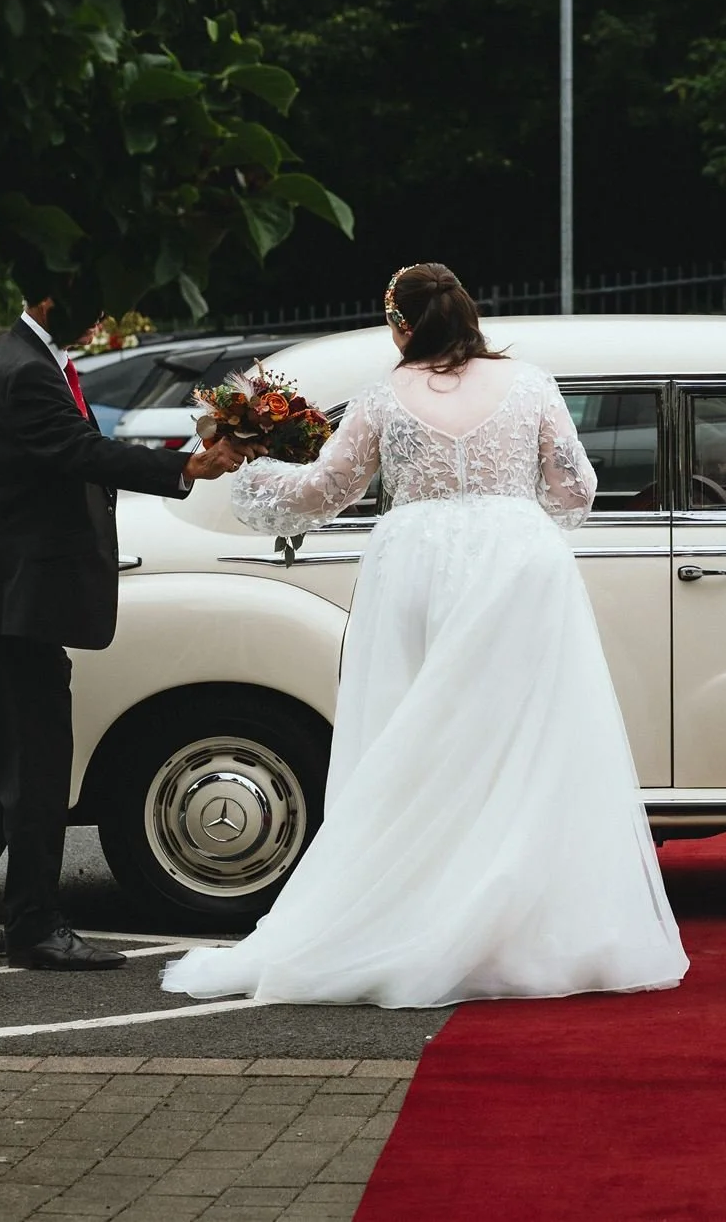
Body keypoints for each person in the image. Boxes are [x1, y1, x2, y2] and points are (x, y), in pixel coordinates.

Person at [161, 264, 688, 1007]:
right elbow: (577, 488)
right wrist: (510, 519)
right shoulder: (532, 383)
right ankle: (519, 924)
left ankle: (418, 910)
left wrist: (251, 468)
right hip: (519, 568)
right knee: (521, 744)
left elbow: (326, 490)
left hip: (416, 566)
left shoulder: (383, 394)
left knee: (415, 735)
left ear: (401, 325)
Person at [0, 294, 244, 971]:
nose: (98, 318)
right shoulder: (27, 368)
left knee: (3, 749)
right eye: (86, 304)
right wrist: (184, 467)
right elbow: (76, 450)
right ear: (45, 298)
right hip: (13, 598)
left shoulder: (28, 354)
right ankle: (35, 924)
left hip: (1, 592)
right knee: (37, 762)